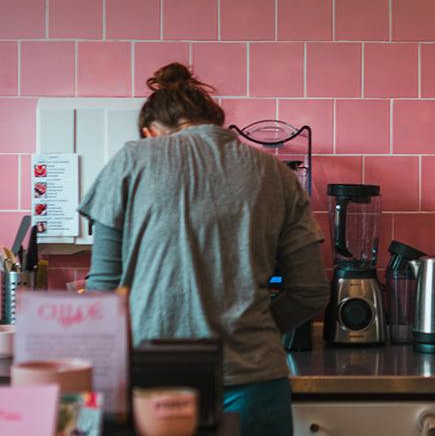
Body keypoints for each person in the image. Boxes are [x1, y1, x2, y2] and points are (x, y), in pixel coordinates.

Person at [81, 63, 328, 436]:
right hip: (254, 380)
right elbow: (311, 292)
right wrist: (254, 328)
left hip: (153, 385)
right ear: (215, 122)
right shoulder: (277, 174)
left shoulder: (130, 161)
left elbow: (102, 291)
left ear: (150, 133)